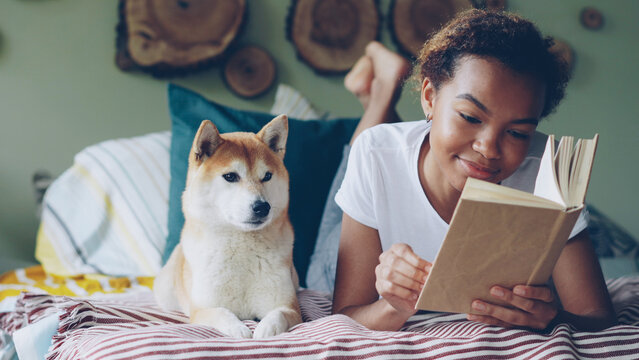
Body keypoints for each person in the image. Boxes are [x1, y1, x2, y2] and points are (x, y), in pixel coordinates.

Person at [307, 9, 617, 332]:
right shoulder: (376, 153)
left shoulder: (548, 172)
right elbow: (344, 316)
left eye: (518, 133)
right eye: (470, 117)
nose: (489, 149)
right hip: (366, 194)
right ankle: (381, 95)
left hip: (414, 147)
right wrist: (391, 306)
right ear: (429, 97)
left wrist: (551, 319)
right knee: (354, 171)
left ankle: (388, 98)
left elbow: (598, 318)